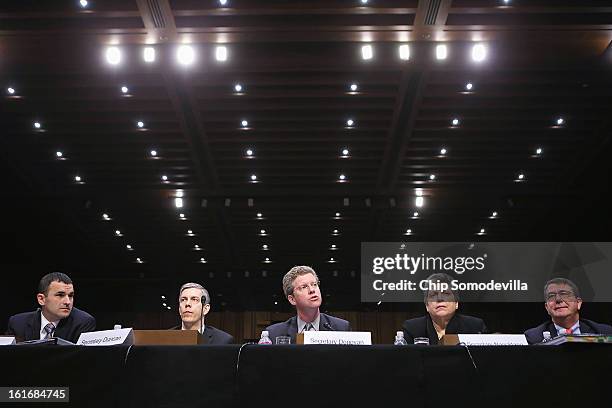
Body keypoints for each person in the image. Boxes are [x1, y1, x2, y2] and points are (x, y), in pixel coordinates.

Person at [265, 265, 350, 344]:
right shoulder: (274, 334)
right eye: (304, 287)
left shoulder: (340, 328)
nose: (312, 290)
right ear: (292, 299)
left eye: (314, 284)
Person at [6, 272, 96, 343]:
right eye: (60, 295)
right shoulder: (17, 323)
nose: (67, 302)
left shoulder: (83, 322)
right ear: (41, 299)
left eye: (71, 295)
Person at [402, 273, 487, 345]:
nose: (440, 299)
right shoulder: (412, 328)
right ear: (427, 306)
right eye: (433, 295)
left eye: (446, 293)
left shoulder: (475, 327)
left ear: (456, 303)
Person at [524, 277, 612, 344]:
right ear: (547, 307)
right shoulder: (533, 337)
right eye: (551, 296)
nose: (558, 299)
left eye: (564, 294)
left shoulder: (605, 332)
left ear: (578, 303)